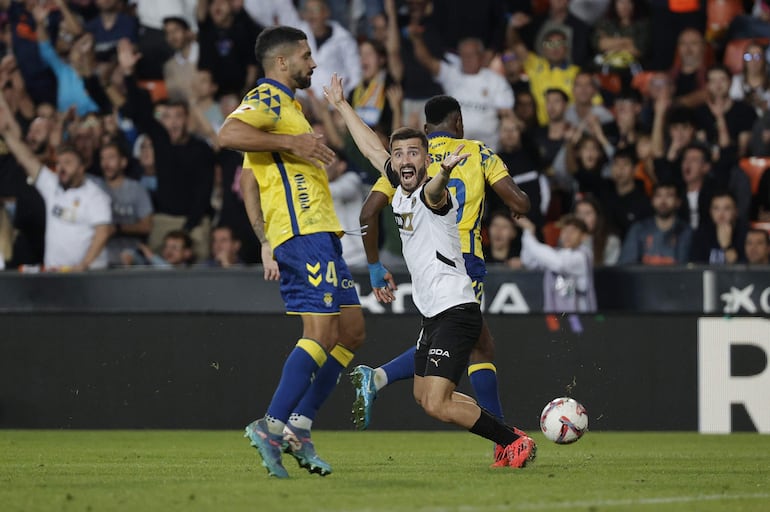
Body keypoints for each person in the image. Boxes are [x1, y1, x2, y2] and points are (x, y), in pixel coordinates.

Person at [324, 73, 536, 469]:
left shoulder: (429, 193)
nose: (405, 160)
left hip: (455, 307)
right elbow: (372, 148)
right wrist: (340, 105)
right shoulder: (401, 186)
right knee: (425, 397)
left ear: (427, 157)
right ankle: (508, 436)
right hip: (435, 311)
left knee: (438, 402)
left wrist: (443, 173)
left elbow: (436, 192)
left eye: (413, 154)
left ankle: (511, 441)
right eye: (399, 154)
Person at [217, 26, 365, 479]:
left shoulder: (289, 108)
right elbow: (226, 134)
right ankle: (272, 424)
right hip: (302, 233)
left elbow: (248, 180)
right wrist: (291, 142)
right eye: (306, 55)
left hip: (321, 232)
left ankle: (298, 426)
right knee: (321, 334)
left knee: (351, 332)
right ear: (282, 62)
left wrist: (262, 240)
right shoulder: (267, 98)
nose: (313, 63)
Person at [0, 97, 112, 271]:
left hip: (88, 277)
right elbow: (27, 159)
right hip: (56, 275)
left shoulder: (95, 195)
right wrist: (6, 133)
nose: (61, 167)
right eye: (59, 163)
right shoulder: (52, 186)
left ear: (81, 168)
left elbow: (103, 232)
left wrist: (83, 265)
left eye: (68, 163)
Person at [516, 214, 597, 313]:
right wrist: (528, 232)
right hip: (555, 316)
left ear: (583, 236)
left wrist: (529, 229)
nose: (568, 235)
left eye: (573, 231)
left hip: (581, 319)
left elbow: (558, 263)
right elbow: (529, 261)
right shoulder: (557, 254)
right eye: (565, 230)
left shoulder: (582, 256)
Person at [93, 139, 154, 267]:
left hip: (131, 252)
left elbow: (146, 226)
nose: (106, 163)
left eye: (111, 158)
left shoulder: (136, 189)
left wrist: (117, 228)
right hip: (100, 251)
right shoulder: (94, 187)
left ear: (123, 162)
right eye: (103, 159)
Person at [618, 183, 693, 265]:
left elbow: (686, 270)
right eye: (658, 195)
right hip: (643, 277)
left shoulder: (686, 232)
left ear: (678, 202)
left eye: (669, 196)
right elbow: (626, 266)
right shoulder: (638, 229)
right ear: (652, 201)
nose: (663, 201)